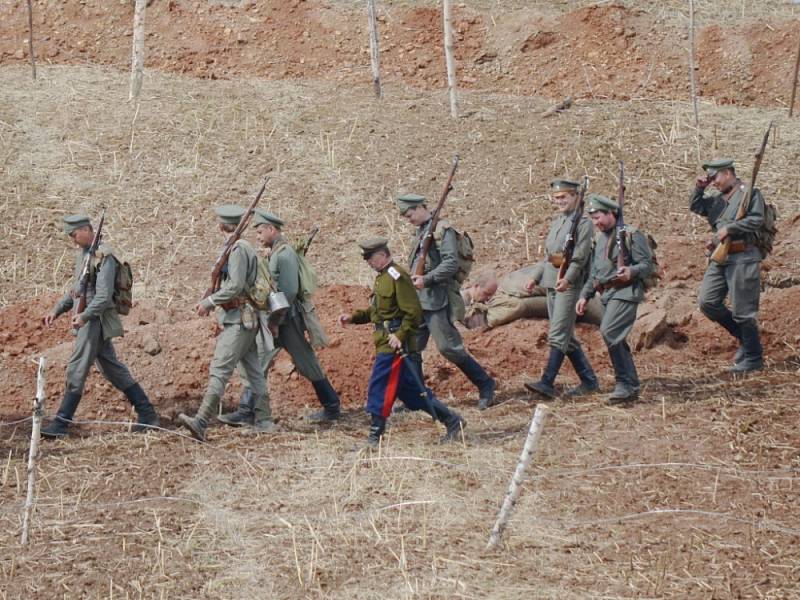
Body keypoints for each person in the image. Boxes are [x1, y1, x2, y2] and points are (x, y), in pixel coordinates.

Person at [337, 237, 465, 447]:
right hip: (387, 340)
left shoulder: (397, 276)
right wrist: (353, 317)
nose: (368, 261)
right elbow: (378, 311)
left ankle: (374, 438)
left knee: (379, 386)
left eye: (370, 257)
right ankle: (452, 420)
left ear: (382, 255)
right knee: (411, 392)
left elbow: (413, 311)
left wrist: (401, 335)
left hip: (395, 344)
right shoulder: (383, 277)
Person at [41, 214, 159, 438]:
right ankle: (147, 413)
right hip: (88, 320)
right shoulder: (84, 256)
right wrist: (56, 310)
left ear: (86, 230)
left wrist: (85, 316)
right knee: (112, 369)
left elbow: (104, 296)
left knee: (76, 368)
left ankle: (61, 423)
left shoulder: (104, 256)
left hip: (95, 322)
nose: (73, 240)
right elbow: (76, 291)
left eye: (75, 235)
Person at [219, 210, 341, 426]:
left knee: (303, 362)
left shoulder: (284, 255)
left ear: (271, 229)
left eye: (260, 231)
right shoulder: (277, 252)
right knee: (261, 361)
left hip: (284, 321)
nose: (257, 236)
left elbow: (289, 292)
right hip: (279, 320)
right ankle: (247, 410)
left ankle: (331, 406)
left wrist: (274, 322)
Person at [178, 206, 271, 441]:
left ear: (222, 224)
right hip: (243, 319)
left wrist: (209, 301)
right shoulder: (238, 246)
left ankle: (200, 421)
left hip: (239, 319)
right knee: (254, 372)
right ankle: (265, 420)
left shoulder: (239, 249)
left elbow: (236, 286)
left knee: (220, 369)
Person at [398, 193, 497, 409]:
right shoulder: (422, 232)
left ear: (422, 206)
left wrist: (427, 278)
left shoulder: (443, 230)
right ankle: (418, 397)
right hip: (420, 299)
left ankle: (486, 384)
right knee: (411, 347)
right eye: (405, 216)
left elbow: (451, 264)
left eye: (410, 213)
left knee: (449, 348)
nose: (409, 219)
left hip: (437, 298)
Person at [522, 178, 598, 399]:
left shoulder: (583, 225)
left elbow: (580, 258)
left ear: (576, 197)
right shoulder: (558, 222)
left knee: (557, 334)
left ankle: (547, 382)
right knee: (566, 336)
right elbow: (550, 257)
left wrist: (568, 279)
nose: (559, 201)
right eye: (556, 198)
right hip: (551, 283)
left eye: (564, 197)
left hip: (568, 285)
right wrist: (535, 278)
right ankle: (589, 381)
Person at [577, 194, 654, 405]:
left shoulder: (631, 234)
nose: (596, 223)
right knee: (615, 336)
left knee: (610, 331)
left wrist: (631, 271)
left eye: (599, 217)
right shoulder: (599, 239)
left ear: (612, 213)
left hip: (627, 292)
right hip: (608, 294)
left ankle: (625, 383)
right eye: (593, 219)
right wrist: (585, 295)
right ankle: (629, 384)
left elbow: (647, 265)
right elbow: (594, 274)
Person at [690, 158, 765, 373]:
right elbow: (696, 206)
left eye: (715, 177)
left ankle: (753, 357)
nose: (713, 182)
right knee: (707, 302)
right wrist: (699, 188)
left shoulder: (749, 193)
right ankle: (744, 338)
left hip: (743, 256)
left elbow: (757, 220)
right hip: (721, 257)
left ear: (728, 173)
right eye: (710, 179)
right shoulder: (718, 200)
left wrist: (730, 229)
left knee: (743, 311)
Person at [462, 267, 604, 330]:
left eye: (489, 295)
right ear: (475, 286)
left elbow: (519, 306)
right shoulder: (509, 286)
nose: (487, 298)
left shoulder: (510, 287)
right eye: (486, 294)